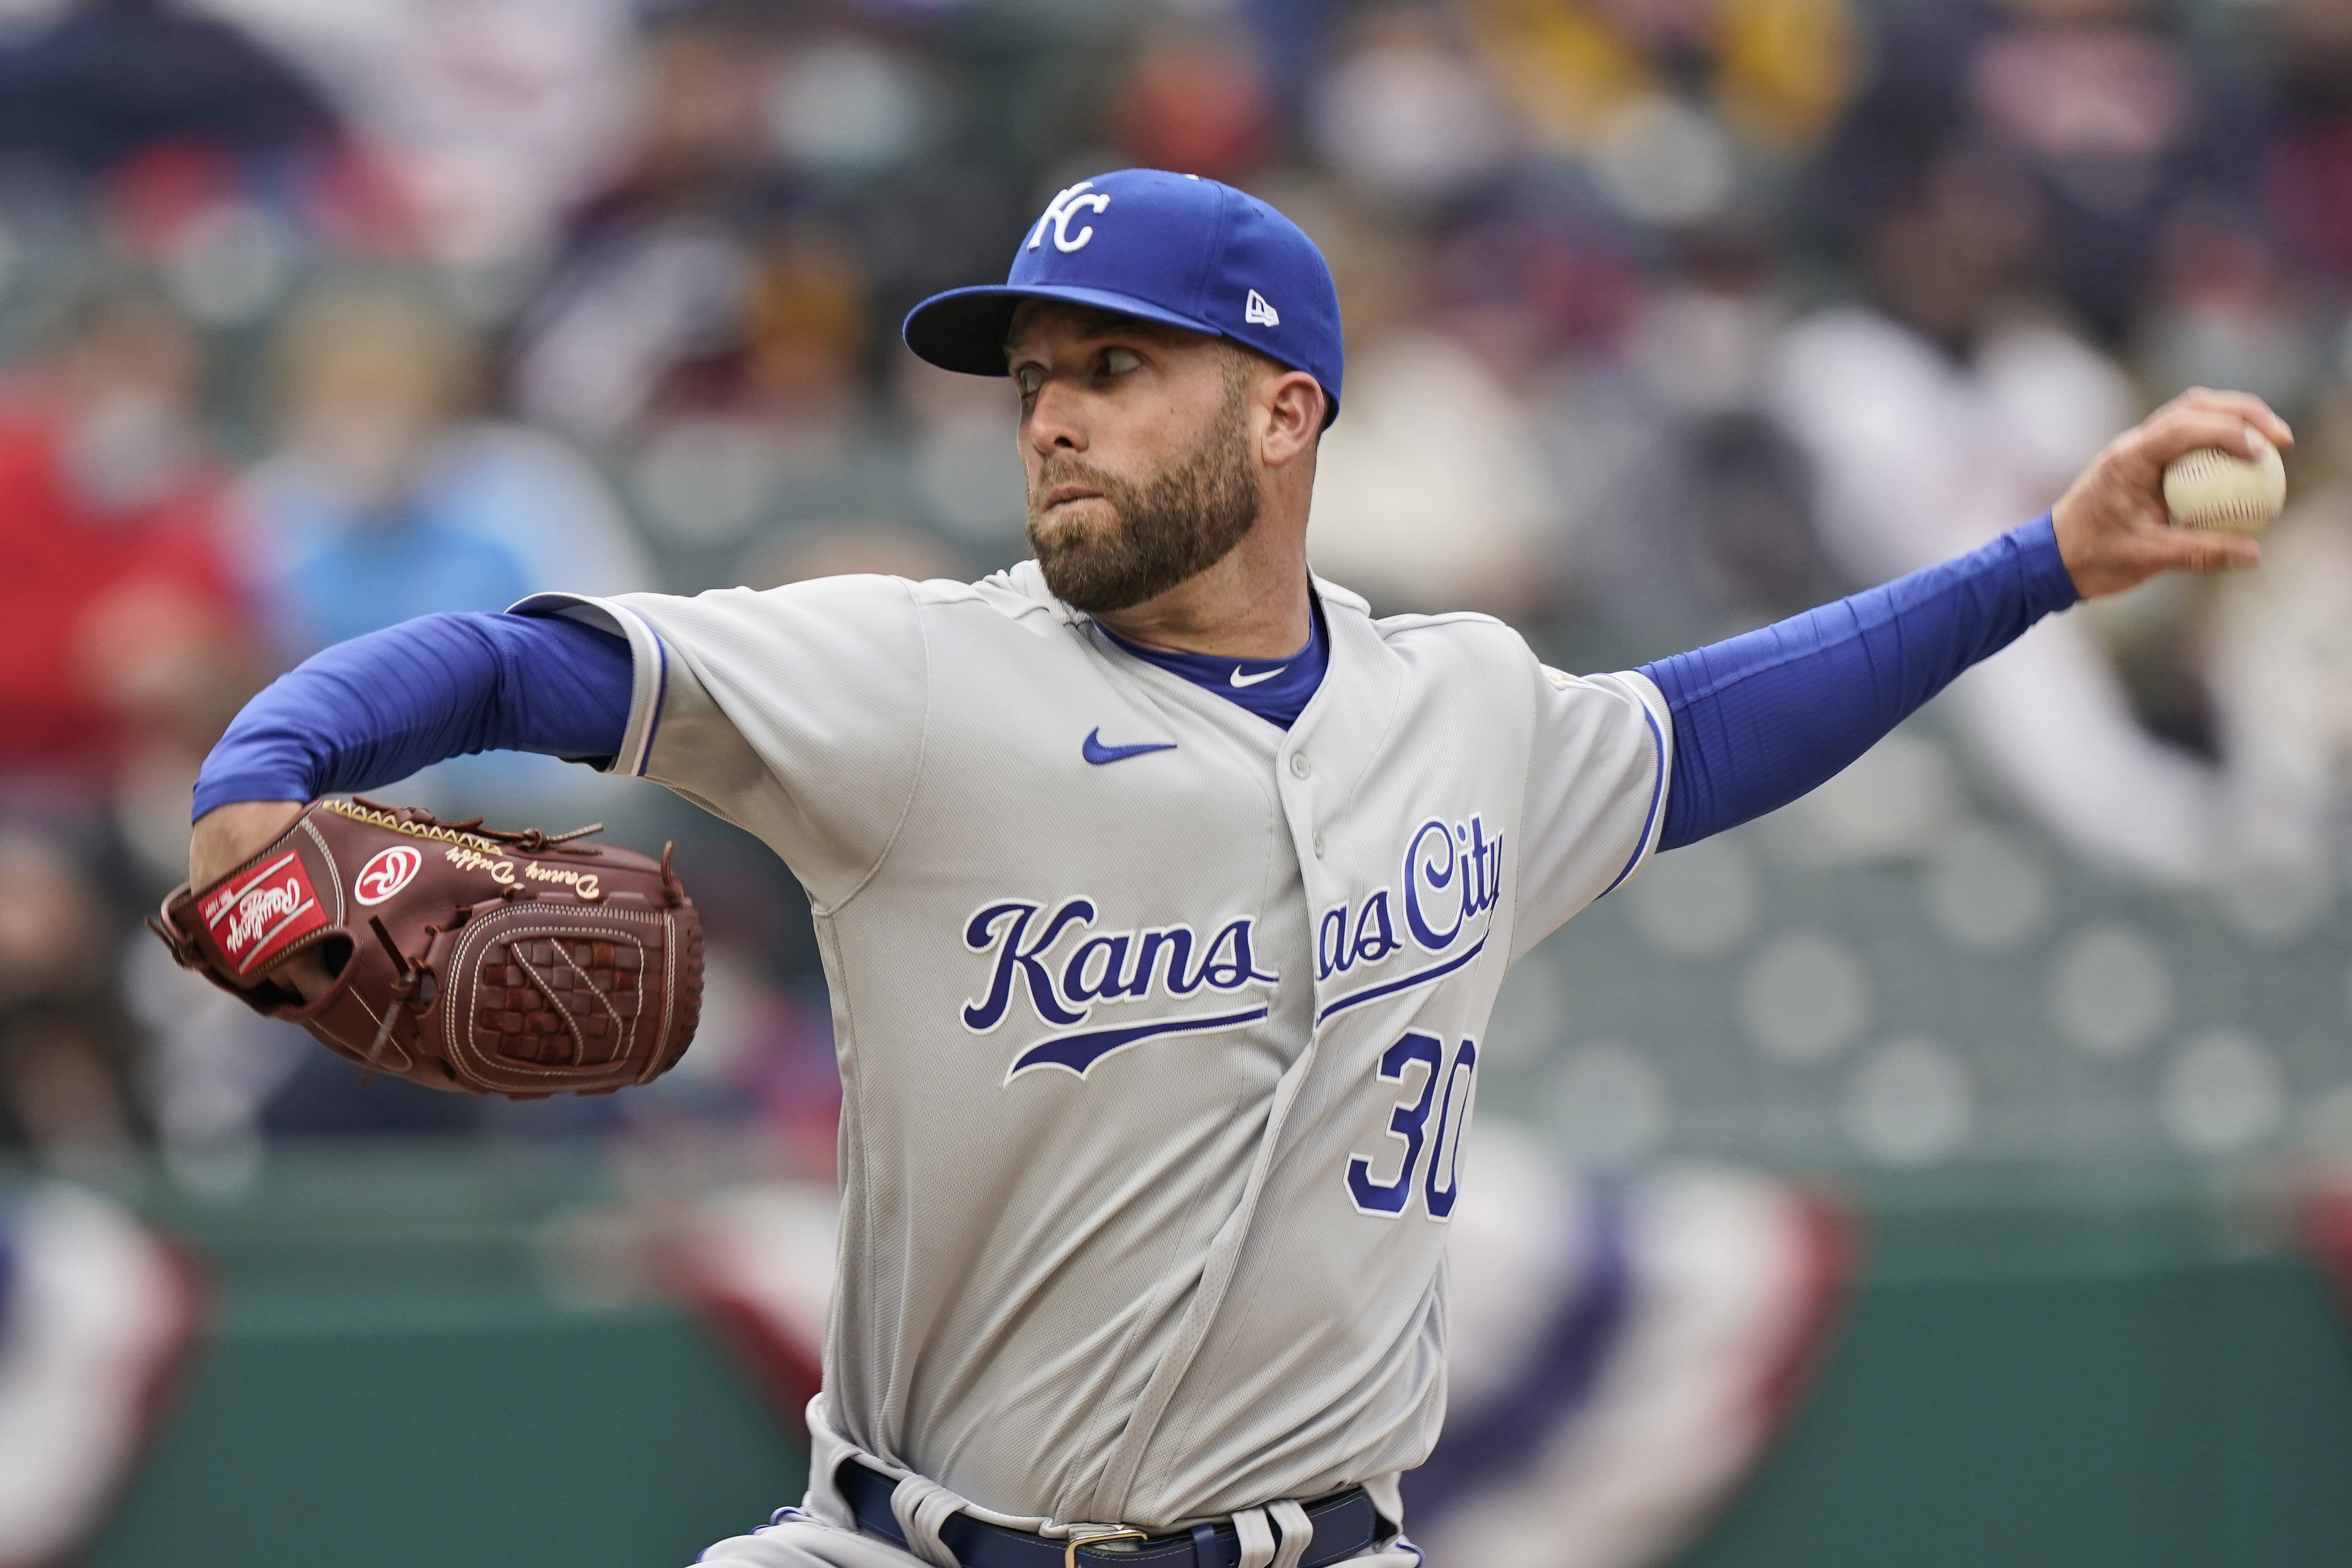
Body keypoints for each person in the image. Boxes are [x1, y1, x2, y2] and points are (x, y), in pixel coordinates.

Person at [180, 171, 2284, 1566]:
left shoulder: (1465, 710)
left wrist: (2049, 562)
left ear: (1285, 412)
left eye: (1116, 367)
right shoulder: (913, 681)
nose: (1054, 421)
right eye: (1033, 382)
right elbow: (526, 662)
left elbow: (1714, 724)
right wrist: (263, 777)